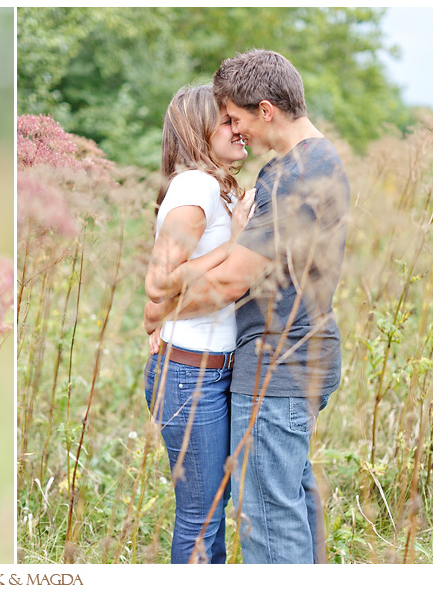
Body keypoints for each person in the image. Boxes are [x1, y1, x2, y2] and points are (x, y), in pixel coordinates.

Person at [144, 49, 350, 564]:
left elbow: (236, 278)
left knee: (268, 523)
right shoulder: (300, 166)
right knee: (289, 509)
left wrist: (160, 312)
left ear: (265, 110)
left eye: (236, 118)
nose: (238, 132)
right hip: (285, 359)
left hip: (279, 363)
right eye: (224, 123)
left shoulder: (299, 173)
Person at [143, 84, 254, 564]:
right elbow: (158, 285)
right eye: (228, 119)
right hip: (191, 375)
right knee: (201, 517)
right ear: (198, 128)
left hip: (212, 371)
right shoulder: (195, 187)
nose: (240, 128)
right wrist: (238, 243)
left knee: (211, 510)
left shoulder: (217, 189)